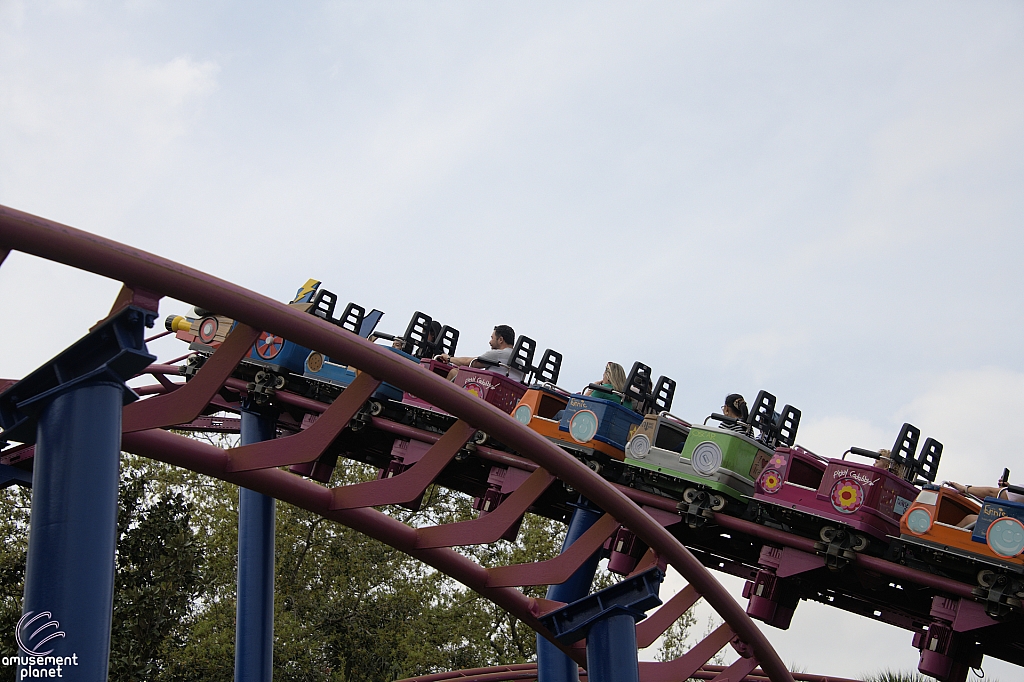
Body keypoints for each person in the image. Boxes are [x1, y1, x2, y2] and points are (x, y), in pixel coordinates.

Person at [435, 325, 523, 382]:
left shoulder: (498, 354)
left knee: (455, 372)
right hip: (506, 395)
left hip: (489, 389)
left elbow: (470, 362)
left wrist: (449, 358)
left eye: (492, 338)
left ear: (500, 340)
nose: (490, 342)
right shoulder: (520, 363)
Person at [947, 474, 1024, 528]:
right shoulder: (1019, 491)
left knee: (970, 519)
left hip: (1014, 529)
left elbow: (991, 492)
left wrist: (965, 489)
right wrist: (1006, 492)